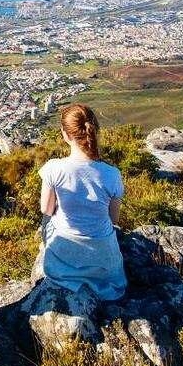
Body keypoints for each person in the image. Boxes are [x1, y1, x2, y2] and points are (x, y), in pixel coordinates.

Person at [38, 103, 126, 300]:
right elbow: (113, 219)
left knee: (46, 219)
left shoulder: (54, 168)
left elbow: (46, 209)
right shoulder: (112, 174)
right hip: (105, 263)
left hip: (63, 261)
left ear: (66, 134)